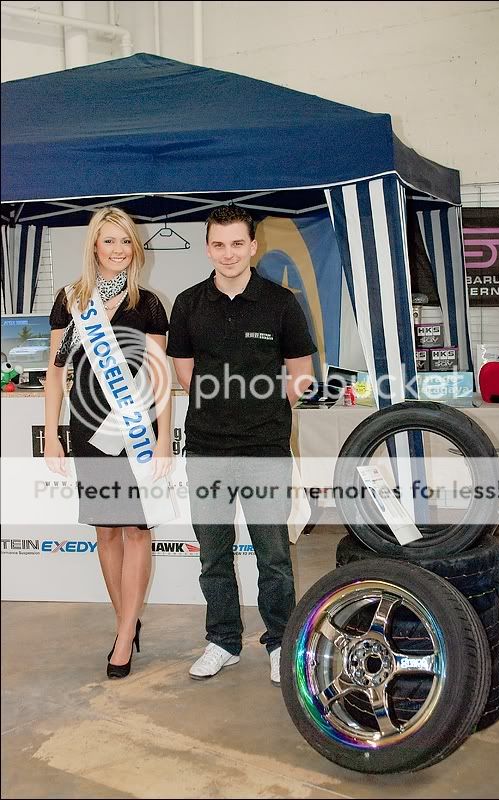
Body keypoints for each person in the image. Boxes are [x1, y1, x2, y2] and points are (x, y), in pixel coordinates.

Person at [167, 204, 316, 686]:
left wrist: (262, 409)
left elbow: (302, 375)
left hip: (264, 449)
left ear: (254, 246)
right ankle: (223, 641)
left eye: (237, 243)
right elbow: (185, 372)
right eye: (218, 244)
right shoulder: (189, 304)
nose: (227, 253)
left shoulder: (281, 303)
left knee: (272, 554)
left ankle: (279, 641)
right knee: (213, 553)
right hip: (206, 449)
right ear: (208, 247)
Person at [44, 207, 173, 680]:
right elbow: (56, 371)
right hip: (88, 431)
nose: (118, 250)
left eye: (126, 241)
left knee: (137, 530)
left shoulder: (149, 304)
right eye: (109, 241)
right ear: (94, 246)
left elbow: (160, 379)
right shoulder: (70, 300)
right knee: (105, 531)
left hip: (135, 432)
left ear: (134, 248)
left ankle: (122, 638)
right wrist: (54, 438)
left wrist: (162, 441)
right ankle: (127, 621)